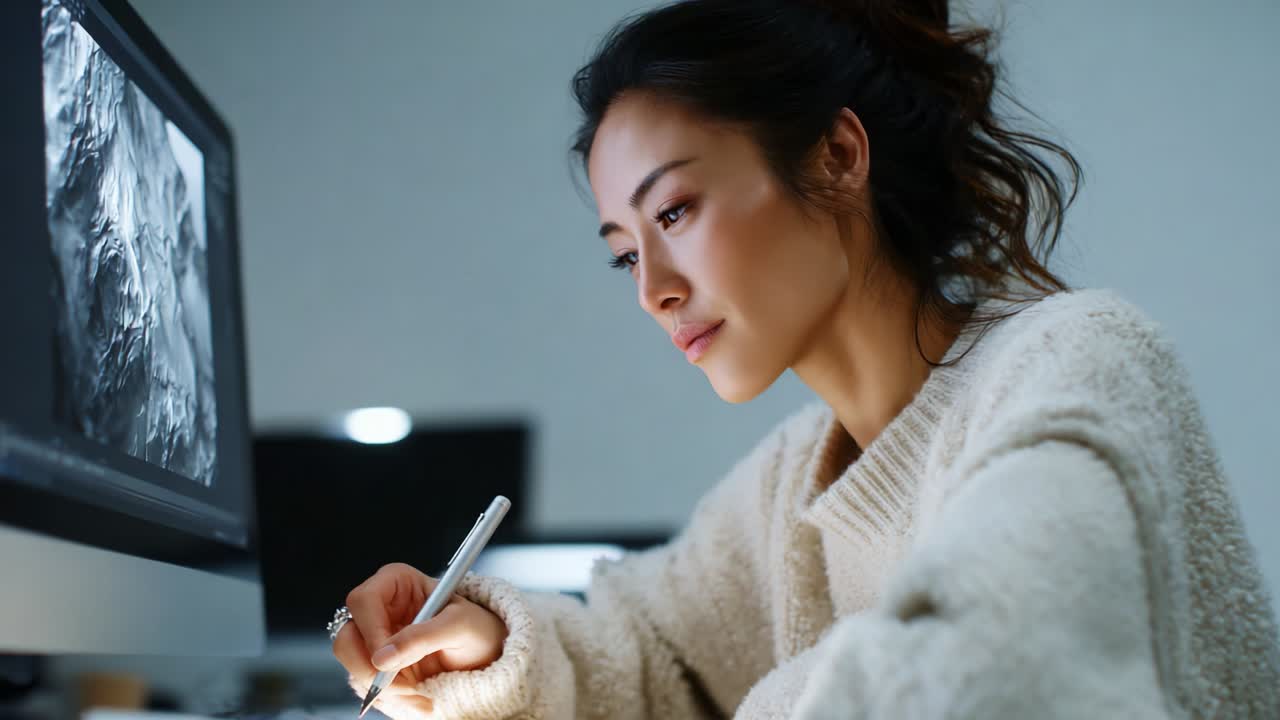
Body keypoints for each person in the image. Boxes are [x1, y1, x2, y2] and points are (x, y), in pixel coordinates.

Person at [331, 1, 1280, 717]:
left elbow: (990, 670)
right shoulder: (790, 484)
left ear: (836, 154)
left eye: (674, 212)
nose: (652, 290)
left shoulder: (1075, 360)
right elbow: (649, 657)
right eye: (625, 253)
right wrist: (485, 646)